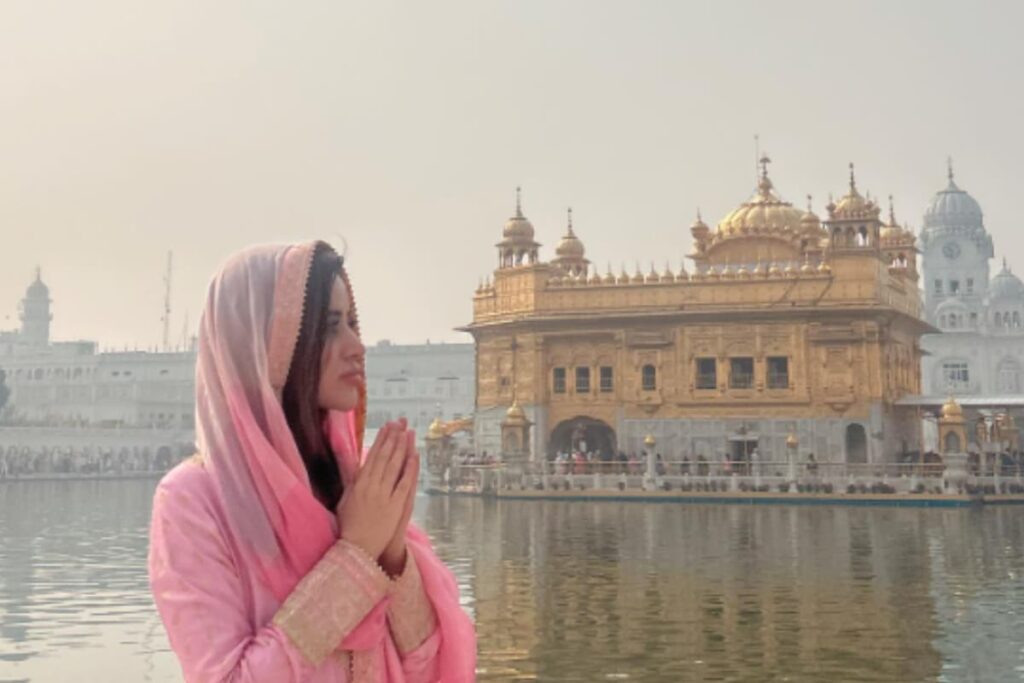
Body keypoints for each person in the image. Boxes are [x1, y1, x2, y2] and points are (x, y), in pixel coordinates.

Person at [148, 242, 475, 682]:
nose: (357, 347)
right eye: (330, 327)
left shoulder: (351, 479)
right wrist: (357, 554)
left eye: (354, 324)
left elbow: (430, 665)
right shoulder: (196, 502)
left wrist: (392, 553)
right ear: (267, 343)